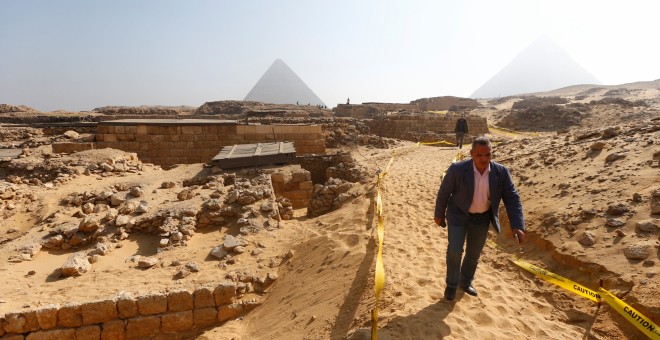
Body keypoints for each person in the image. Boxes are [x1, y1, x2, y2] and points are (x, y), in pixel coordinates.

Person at [434, 136, 525, 301]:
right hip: (458, 215)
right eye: (479, 155)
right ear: (471, 154)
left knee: (473, 253)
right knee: (454, 251)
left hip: (482, 218)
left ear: (491, 154)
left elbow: (512, 198)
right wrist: (439, 214)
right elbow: (444, 193)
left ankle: (465, 281)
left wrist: (517, 225)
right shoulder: (457, 169)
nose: (483, 159)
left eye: (487, 155)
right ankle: (451, 285)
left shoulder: (501, 172)